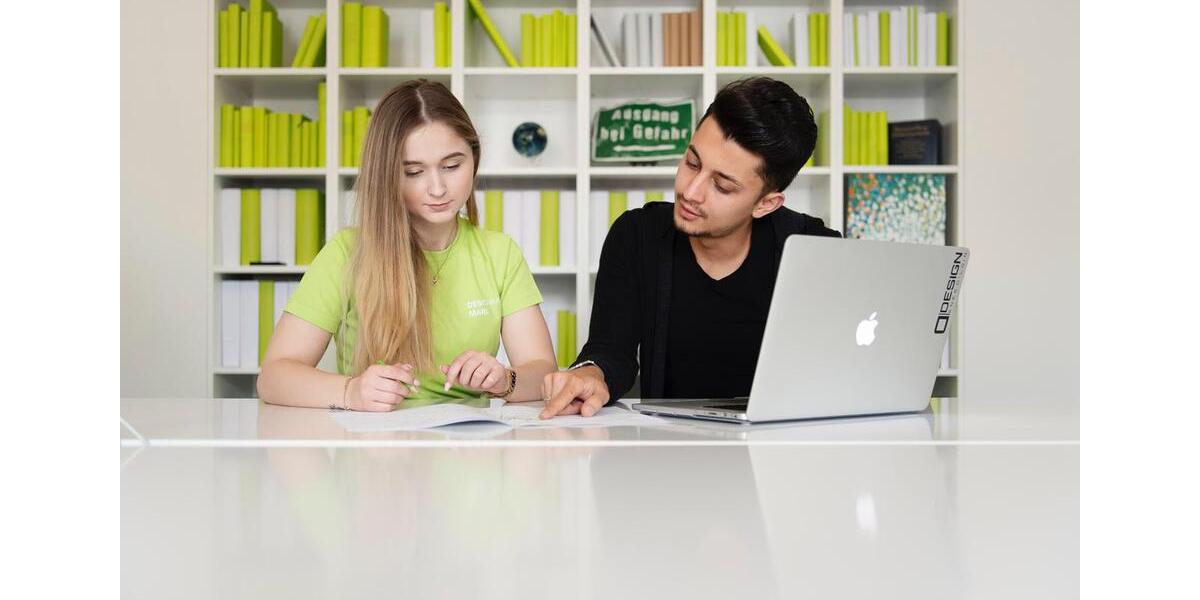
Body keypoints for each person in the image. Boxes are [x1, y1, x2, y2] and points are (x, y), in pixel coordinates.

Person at [540, 77, 840, 419]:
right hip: (669, 449)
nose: (691, 191)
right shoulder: (637, 235)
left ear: (766, 204)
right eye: (692, 163)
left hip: (779, 452)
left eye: (722, 185)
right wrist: (590, 374)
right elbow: (611, 351)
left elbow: (832, 368)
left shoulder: (814, 249)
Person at [259, 79, 557, 412]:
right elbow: (273, 377)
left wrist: (506, 380)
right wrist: (351, 392)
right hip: (376, 451)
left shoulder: (500, 253)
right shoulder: (348, 252)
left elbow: (543, 371)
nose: (438, 188)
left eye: (452, 166)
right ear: (386, 175)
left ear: (474, 158)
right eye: (414, 172)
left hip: (470, 452)